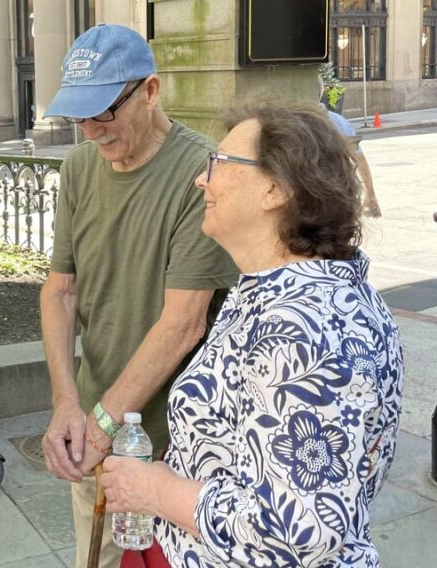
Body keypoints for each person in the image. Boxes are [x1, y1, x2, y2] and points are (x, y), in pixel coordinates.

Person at [100, 101, 404, 567]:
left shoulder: (301, 329)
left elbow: (297, 531)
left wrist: (156, 490)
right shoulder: (280, 294)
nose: (201, 180)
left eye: (218, 164)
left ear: (275, 190)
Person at [40, 24, 238, 568]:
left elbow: (184, 323)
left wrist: (104, 425)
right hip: (91, 422)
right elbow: (61, 290)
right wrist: (66, 404)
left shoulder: (201, 171)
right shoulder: (79, 168)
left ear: (150, 91)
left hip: (172, 442)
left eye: (103, 112)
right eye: (78, 115)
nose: (90, 132)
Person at [319, 77, 382, 217]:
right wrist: (370, 194)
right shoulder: (338, 121)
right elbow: (359, 158)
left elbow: (358, 158)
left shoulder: (283, 123)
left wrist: (370, 195)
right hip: (338, 196)